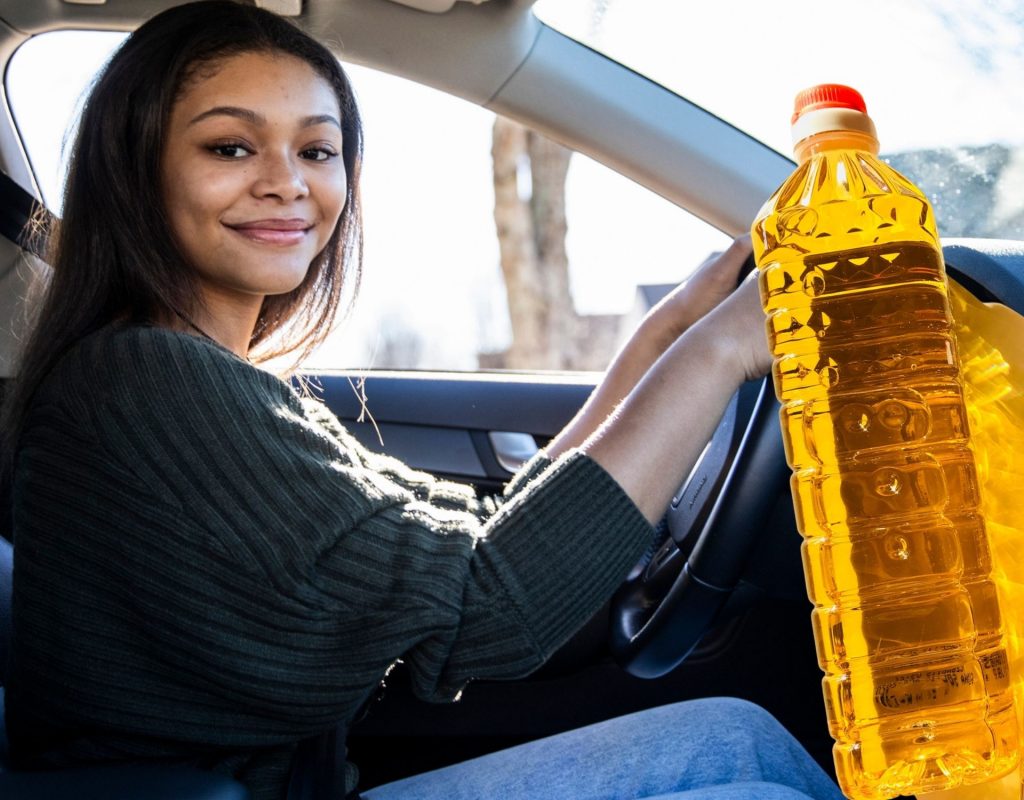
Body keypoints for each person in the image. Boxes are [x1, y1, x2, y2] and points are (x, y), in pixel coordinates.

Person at [0, 3, 843, 800]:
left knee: (738, 738)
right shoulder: (147, 385)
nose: (286, 183)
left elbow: (476, 544)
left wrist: (668, 334)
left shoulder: (192, 374)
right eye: (229, 148)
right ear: (134, 171)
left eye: (317, 150)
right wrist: (724, 350)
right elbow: (488, 608)